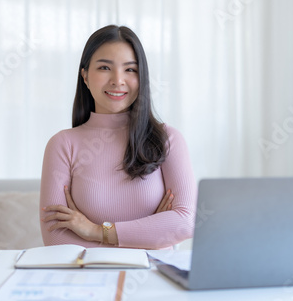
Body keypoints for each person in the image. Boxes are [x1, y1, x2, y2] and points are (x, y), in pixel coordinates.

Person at [40, 25, 196, 249]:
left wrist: (95, 231)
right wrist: (148, 234)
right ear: (84, 75)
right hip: (91, 279)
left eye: (130, 70)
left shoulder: (167, 139)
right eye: (105, 67)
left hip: (155, 279)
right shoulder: (62, 145)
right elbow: (56, 239)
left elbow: (185, 222)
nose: (117, 80)